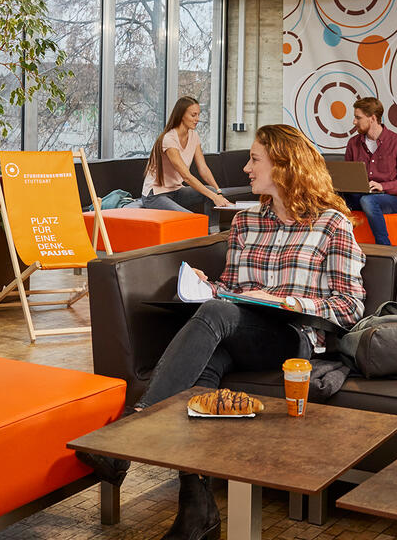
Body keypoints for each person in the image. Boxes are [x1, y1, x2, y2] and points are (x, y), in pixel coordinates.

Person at [81, 124, 366, 540]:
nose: (246, 167)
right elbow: (231, 291)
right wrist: (204, 284)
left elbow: (349, 307)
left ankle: (130, 432)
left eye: (255, 159)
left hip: (295, 336)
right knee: (207, 367)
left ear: (285, 166)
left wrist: (295, 303)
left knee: (218, 317)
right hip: (243, 326)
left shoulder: (332, 225)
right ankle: (197, 510)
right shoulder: (247, 220)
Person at [138, 96, 233, 213]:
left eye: (198, 115)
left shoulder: (194, 136)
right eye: (193, 115)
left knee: (211, 191)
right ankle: (201, 230)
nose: (197, 119)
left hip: (176, 191)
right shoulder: (169, 139)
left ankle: (212, 230)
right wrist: (214, 197)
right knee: (189, 218)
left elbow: (203, 168)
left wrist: (218, 192)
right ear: (181, 115)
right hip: (155, 195)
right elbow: (186, 176)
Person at [342, 96, 397, 245]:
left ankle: (384, 246)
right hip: (360, 196)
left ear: (372, 118)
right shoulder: (353, 143)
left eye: (358, 117)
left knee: (368, 200)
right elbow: (348, 175)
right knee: (330, 197)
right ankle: (339, 244)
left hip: (391, 199)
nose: (354, 122)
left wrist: (383, 186)